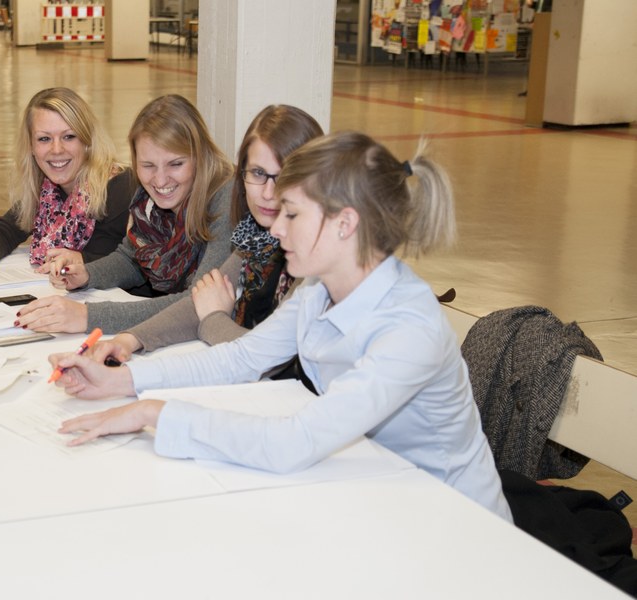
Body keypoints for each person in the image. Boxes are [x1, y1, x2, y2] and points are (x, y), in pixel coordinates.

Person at [50, 131, 513, 521]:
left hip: (448, 518)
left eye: (292, 213)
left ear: (345, 224)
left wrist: (152, 412)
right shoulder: (320, 288)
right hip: (372, 487)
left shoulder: (408, 330)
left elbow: (295, 441)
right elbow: (243, 358)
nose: (276, 229)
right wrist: (122, 379)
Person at [90, 105, 323, 360]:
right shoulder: (257, 235)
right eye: (257, 173)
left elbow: (271, 357)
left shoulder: (317, 258)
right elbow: (197, 303)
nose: (268, 193)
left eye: (284, 176)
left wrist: (213, 319)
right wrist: (129, 340)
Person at [15, 94, 234, 335]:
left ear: (200, 156)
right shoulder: (147, 196)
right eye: (148, 165)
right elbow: (131, 258)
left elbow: (196, 304)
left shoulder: (226, 199)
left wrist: (90, 317)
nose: (160, 180)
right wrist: (87, 274)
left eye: (175, 164)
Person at [0, 87, 135, 285]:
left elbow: (123, 263)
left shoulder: (120, 187)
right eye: (44, 139)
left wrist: (81, 262)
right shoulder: (45, 190)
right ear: (31, 147)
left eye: (69, 136)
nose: (57, 149)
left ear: (87, 141)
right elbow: (5, 230)